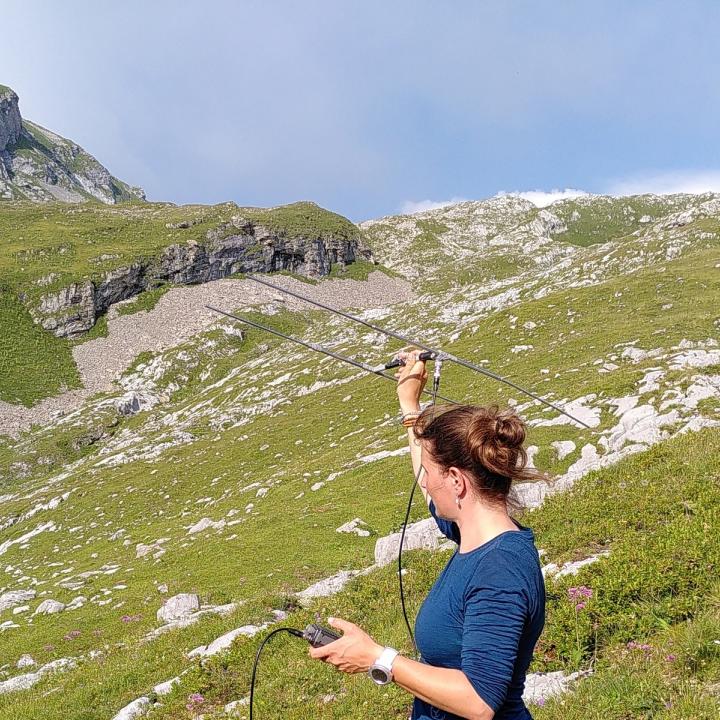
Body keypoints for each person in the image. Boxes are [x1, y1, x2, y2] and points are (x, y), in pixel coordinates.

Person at [309, 350, 546, 719]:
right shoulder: (475, 533)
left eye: (432, 473)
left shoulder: (500, 570)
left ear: (456, 481)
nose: (424, 481)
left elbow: (479, 701)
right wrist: (410, 406)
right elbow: (427, 482)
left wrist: (378, 658)